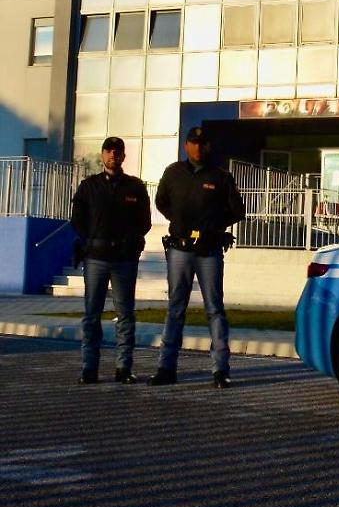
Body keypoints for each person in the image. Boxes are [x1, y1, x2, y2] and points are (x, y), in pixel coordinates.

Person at [150, 126, 245, 388]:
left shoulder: (221, 176)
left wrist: (214, 227)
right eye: (193, 143)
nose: (198, 148)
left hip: (208, 251)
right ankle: (166, 368)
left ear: (209, 147)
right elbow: (161, 202)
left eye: (203, 143)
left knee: (215, 309)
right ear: (186, 146)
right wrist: (179, 221)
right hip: (180, 250)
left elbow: (237, 210)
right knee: (175, 309)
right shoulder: (173, 172)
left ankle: (220, 370)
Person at [70, 136, 152, 385]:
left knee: (125, 314)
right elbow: (77, 219)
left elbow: (145, 223)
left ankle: (123, 368)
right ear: (102, 154)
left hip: (124, 259)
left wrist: (131, 242)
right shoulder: (89, 186)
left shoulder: (135, 187)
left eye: (118, 151)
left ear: (124, 156)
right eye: (109, 151)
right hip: (95, 258)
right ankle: (89, 368)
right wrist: (89, 240)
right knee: (91, 314)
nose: (113, 155)